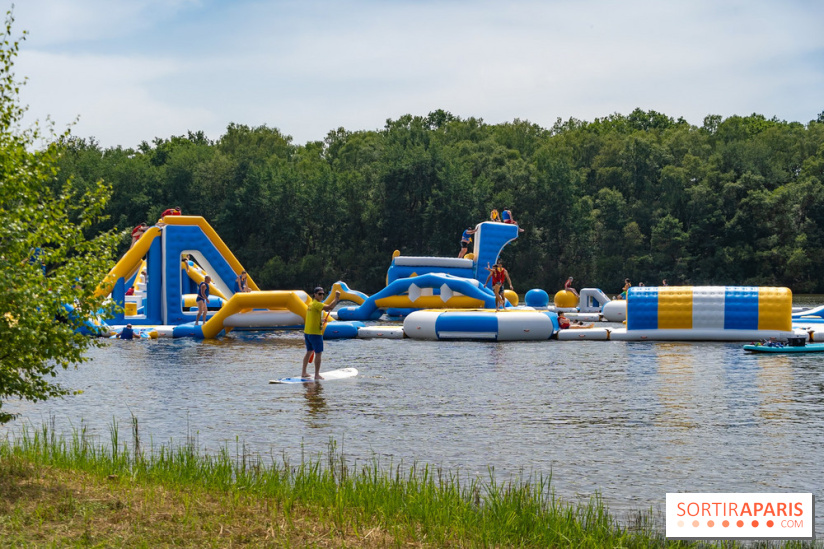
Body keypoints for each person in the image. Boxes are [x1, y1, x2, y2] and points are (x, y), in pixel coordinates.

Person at [302, 286, 341, 380]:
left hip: (307, 332)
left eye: (323, 294)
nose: (321, 295)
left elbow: (314, 316)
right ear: (314, 295)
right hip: (315, 333)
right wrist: (336, 298)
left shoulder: (311, 304)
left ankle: (303, 372)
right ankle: (316, 375)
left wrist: (322, 320)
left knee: (309, 352)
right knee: (318, 353)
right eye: (319, 294)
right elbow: (330, 307)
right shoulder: (317, 304)